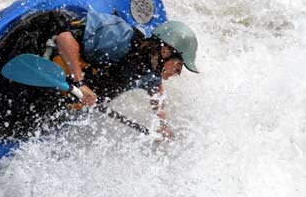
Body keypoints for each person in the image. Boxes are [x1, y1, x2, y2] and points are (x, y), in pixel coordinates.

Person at [53, 10, 199, 140]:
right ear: (165, 52)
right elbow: (64, 37)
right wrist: (81, 84)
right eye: (178, 66)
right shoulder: (119, 37)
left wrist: (162, 124)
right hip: (53, 68)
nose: (177, 73)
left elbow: (156, 89)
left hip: (67, 100)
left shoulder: (150, 70)